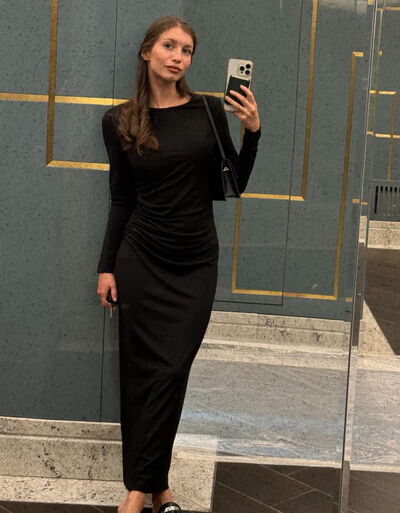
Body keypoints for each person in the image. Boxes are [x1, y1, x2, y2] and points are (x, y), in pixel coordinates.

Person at [96, 15, 261, 513]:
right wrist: (107, 266)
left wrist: (252, 132)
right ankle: (153, 491)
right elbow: (121, 198)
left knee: (170, 373)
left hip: (194, 264)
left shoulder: (208, 111)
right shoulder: (119, 120)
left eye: (186, 50)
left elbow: (234, 185)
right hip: (141, 258)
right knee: (140, 375)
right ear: (147, 52)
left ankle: (139, 489)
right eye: (169, 46)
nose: (178, 57)